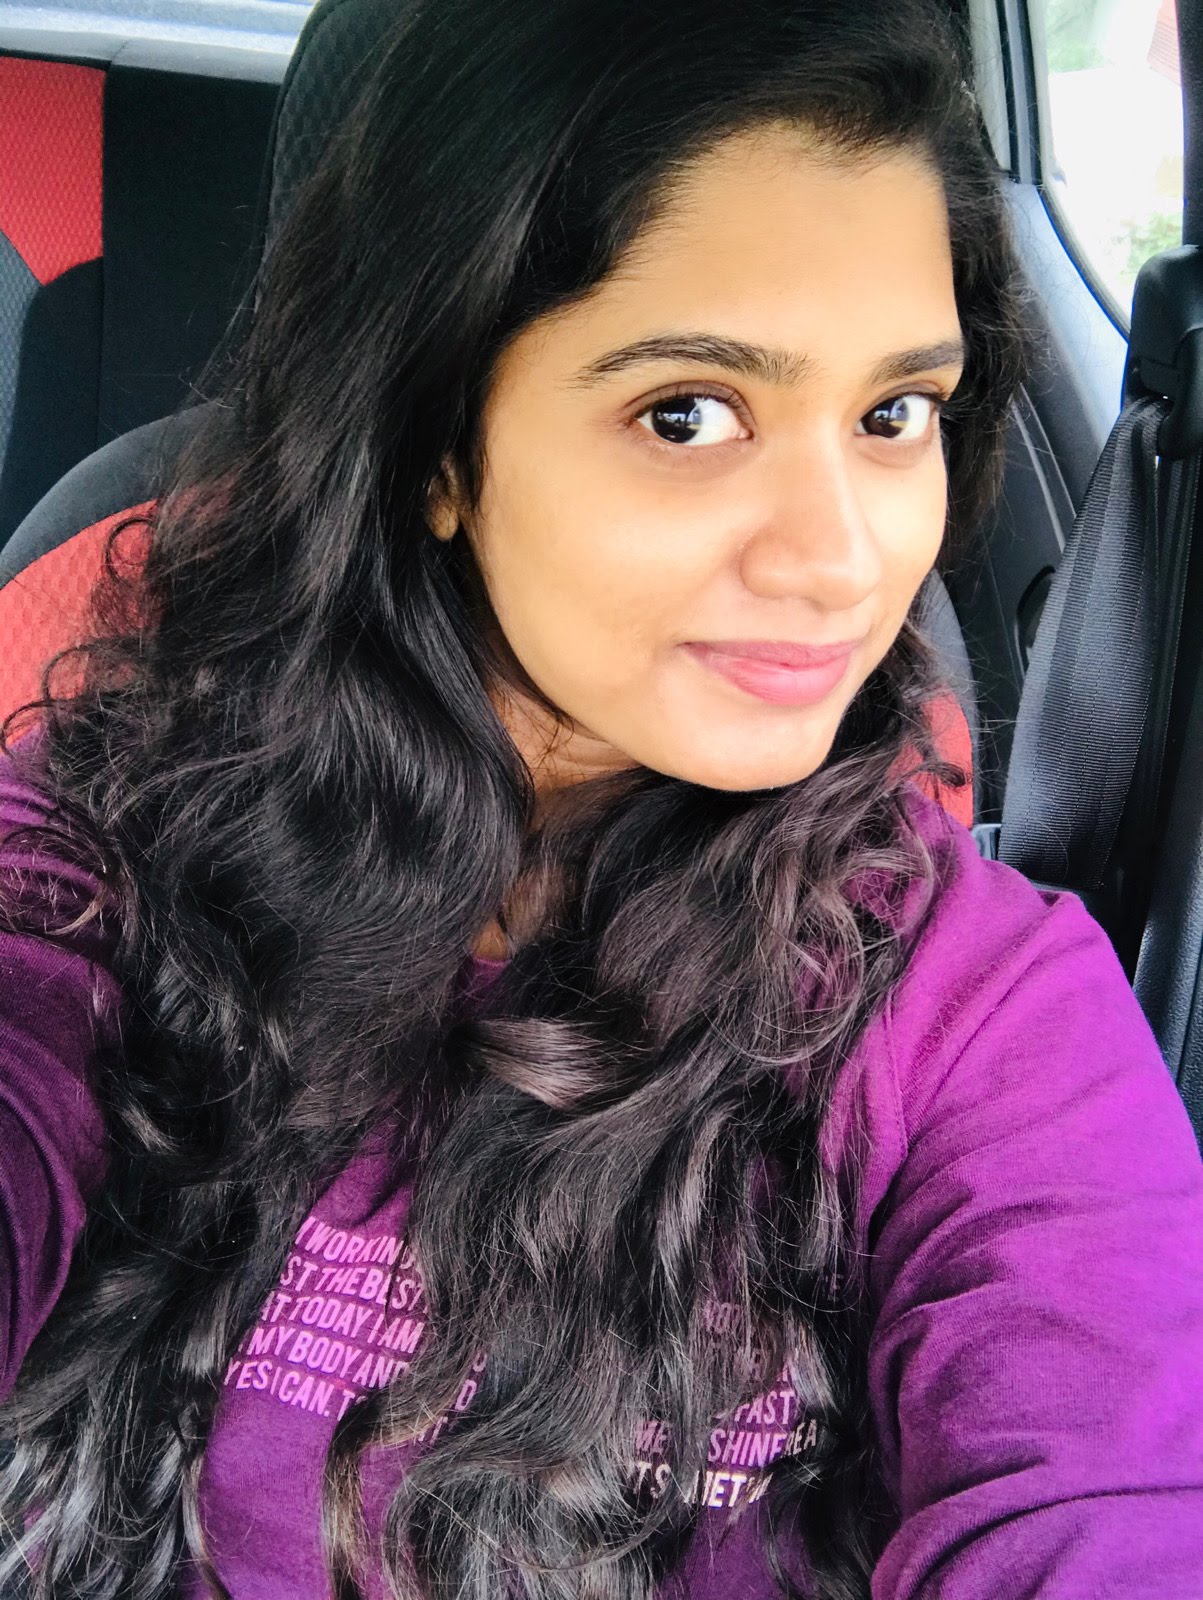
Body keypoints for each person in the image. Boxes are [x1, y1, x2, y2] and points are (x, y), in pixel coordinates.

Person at [1, 0, 1201, 1595]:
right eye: (686, 414)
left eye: (893, 414)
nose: (841, 560)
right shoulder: (99, 849)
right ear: (435, 440)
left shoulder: (986, 1019)